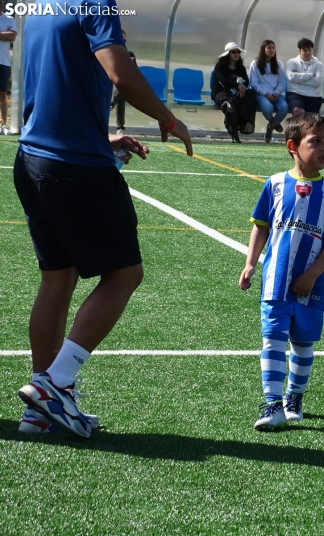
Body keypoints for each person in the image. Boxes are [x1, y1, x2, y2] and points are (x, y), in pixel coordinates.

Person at [14, 0, 192, 438]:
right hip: (76, 166)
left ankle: (41, 409)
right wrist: (168, 118)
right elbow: (120, 72)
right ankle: (56, 382)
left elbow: (58, 79)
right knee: (125, 274)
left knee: (57, 279)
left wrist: (103, 134)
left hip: (34, 158)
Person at [239, 113, 324, 431]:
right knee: (272, 339)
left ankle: (293, 396)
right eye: (315, 141)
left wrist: (313, 274)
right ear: (293, 146)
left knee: (302, 345)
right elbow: (260, 227)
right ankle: (271, 404)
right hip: (275, 282)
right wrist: (250, 263)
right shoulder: (274, 184)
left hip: (310, 287)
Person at [212, 42, 256, 143]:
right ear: (228, 54)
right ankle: (235, 135)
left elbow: (246, 81)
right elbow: (223, 80)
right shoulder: (220, 66)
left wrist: (241, 88)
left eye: (238, 52)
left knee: (251, 95)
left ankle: (230, 105)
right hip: (222, 93)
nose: (236, 54)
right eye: (233, 52)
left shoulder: (241, 67)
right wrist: (237, 86)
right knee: (234, 106)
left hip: (237, 93)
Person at [249, 39, 288, 144]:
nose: (272, 50)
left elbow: (282, 82)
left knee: (284, 107)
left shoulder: (278, 64)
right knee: (268, 108)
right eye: (269, 48)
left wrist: (277, 92)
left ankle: (270, 127)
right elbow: (254, 83)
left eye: (273, 48)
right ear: (263, 49)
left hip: (275, 94)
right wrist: (266, 94)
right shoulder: (255, 63)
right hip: (261, 94)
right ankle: (274, 123)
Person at [286, 38, 324, 116]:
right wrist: (310, 75)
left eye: (309, 50)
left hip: (314, 95)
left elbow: (318, 82)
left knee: (310, 119)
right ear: (299, 51)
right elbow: (291, 77)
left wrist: (298, 77)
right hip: (295, 93)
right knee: (297, 111)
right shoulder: (292, 62)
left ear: (312, 50)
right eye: (305, 50)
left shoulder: (319, 65)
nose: (307, 53)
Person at [110, 30, 136, 136]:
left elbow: (135, 73)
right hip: (109, 82)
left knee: (122, 87)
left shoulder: (129, 54)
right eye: (121, 40)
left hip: (121, 83)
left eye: (125, 41)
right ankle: (120, 127)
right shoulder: (108, 52)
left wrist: (131, 63)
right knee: (122, 88)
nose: (123, 43)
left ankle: (110, 105)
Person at [0, 0, 16, 135]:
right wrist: (2, 34)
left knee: (2, 94)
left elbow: (12, 36)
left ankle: (3, 125)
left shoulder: (9, 19)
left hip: (3, 61)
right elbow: (6, 35)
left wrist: (6, 35)